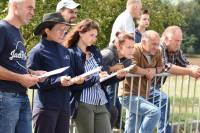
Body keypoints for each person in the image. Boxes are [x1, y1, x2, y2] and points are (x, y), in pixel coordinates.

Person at [63, 18, 126, 133]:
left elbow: (102, 80)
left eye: (95, 36)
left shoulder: (95, 52)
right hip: (83, 103)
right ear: (81, 33)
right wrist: (96, 78)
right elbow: (73, 83)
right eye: (91, 35)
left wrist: (117, 76)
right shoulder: (70, 53)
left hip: (100, 102)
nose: (94, 39)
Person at [27, 12, 85, 133]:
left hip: (64, 108)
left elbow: (69, 76)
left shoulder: (65, 51)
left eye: (65, 29)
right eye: (59, 29)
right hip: (46, 108)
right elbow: (30, 82)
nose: (63, 32)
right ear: (47, 30)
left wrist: (75, 80)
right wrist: (58, 81)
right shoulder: (37, 52)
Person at [0, 0, 43, 133]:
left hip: (22, 97)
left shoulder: (17, 32)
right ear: (14, 6)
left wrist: (32, 73)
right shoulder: (2, 29)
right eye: (29, 8)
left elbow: (14, 64)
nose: (33, 13)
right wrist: (20, 78)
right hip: (5, 98)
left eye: (34, 9)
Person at [118, 30, 162, 133]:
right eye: (153, 44)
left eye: (158, 44)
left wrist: (154, 70)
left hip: (142, 94)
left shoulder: (157, 51)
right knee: (154, 112)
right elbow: (131, 66)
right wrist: (146, 72)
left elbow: (161, 67)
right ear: (143, 42)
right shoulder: (135, 49)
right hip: (128, 94)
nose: (156, 47)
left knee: (131, 128)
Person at [101, 32, 134, 129]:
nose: (132, 50)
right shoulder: (108, 54)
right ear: (118, 46)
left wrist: (118, 77)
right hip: (88, 92)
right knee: (112, 112)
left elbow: (105, 81)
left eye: (133, 47)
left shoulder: (126, 59)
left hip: (100, 90)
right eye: (129, 47)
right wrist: (110, 69)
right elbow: (91, 71)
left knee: (113, 112)